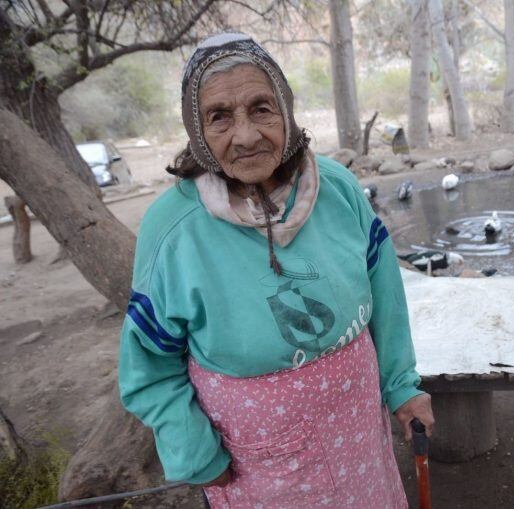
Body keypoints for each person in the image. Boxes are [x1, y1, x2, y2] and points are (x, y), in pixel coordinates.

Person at [118, 32, 434, 508]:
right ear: (196, 130)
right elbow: (148, 367)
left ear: (285, 111)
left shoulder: (337, 188)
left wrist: (401, 386)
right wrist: (197, 451)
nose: (245, 136)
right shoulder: (172, 229)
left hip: (360, 438)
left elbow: (385, 293)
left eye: (261, 109)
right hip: (256, 466)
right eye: (219, 117)